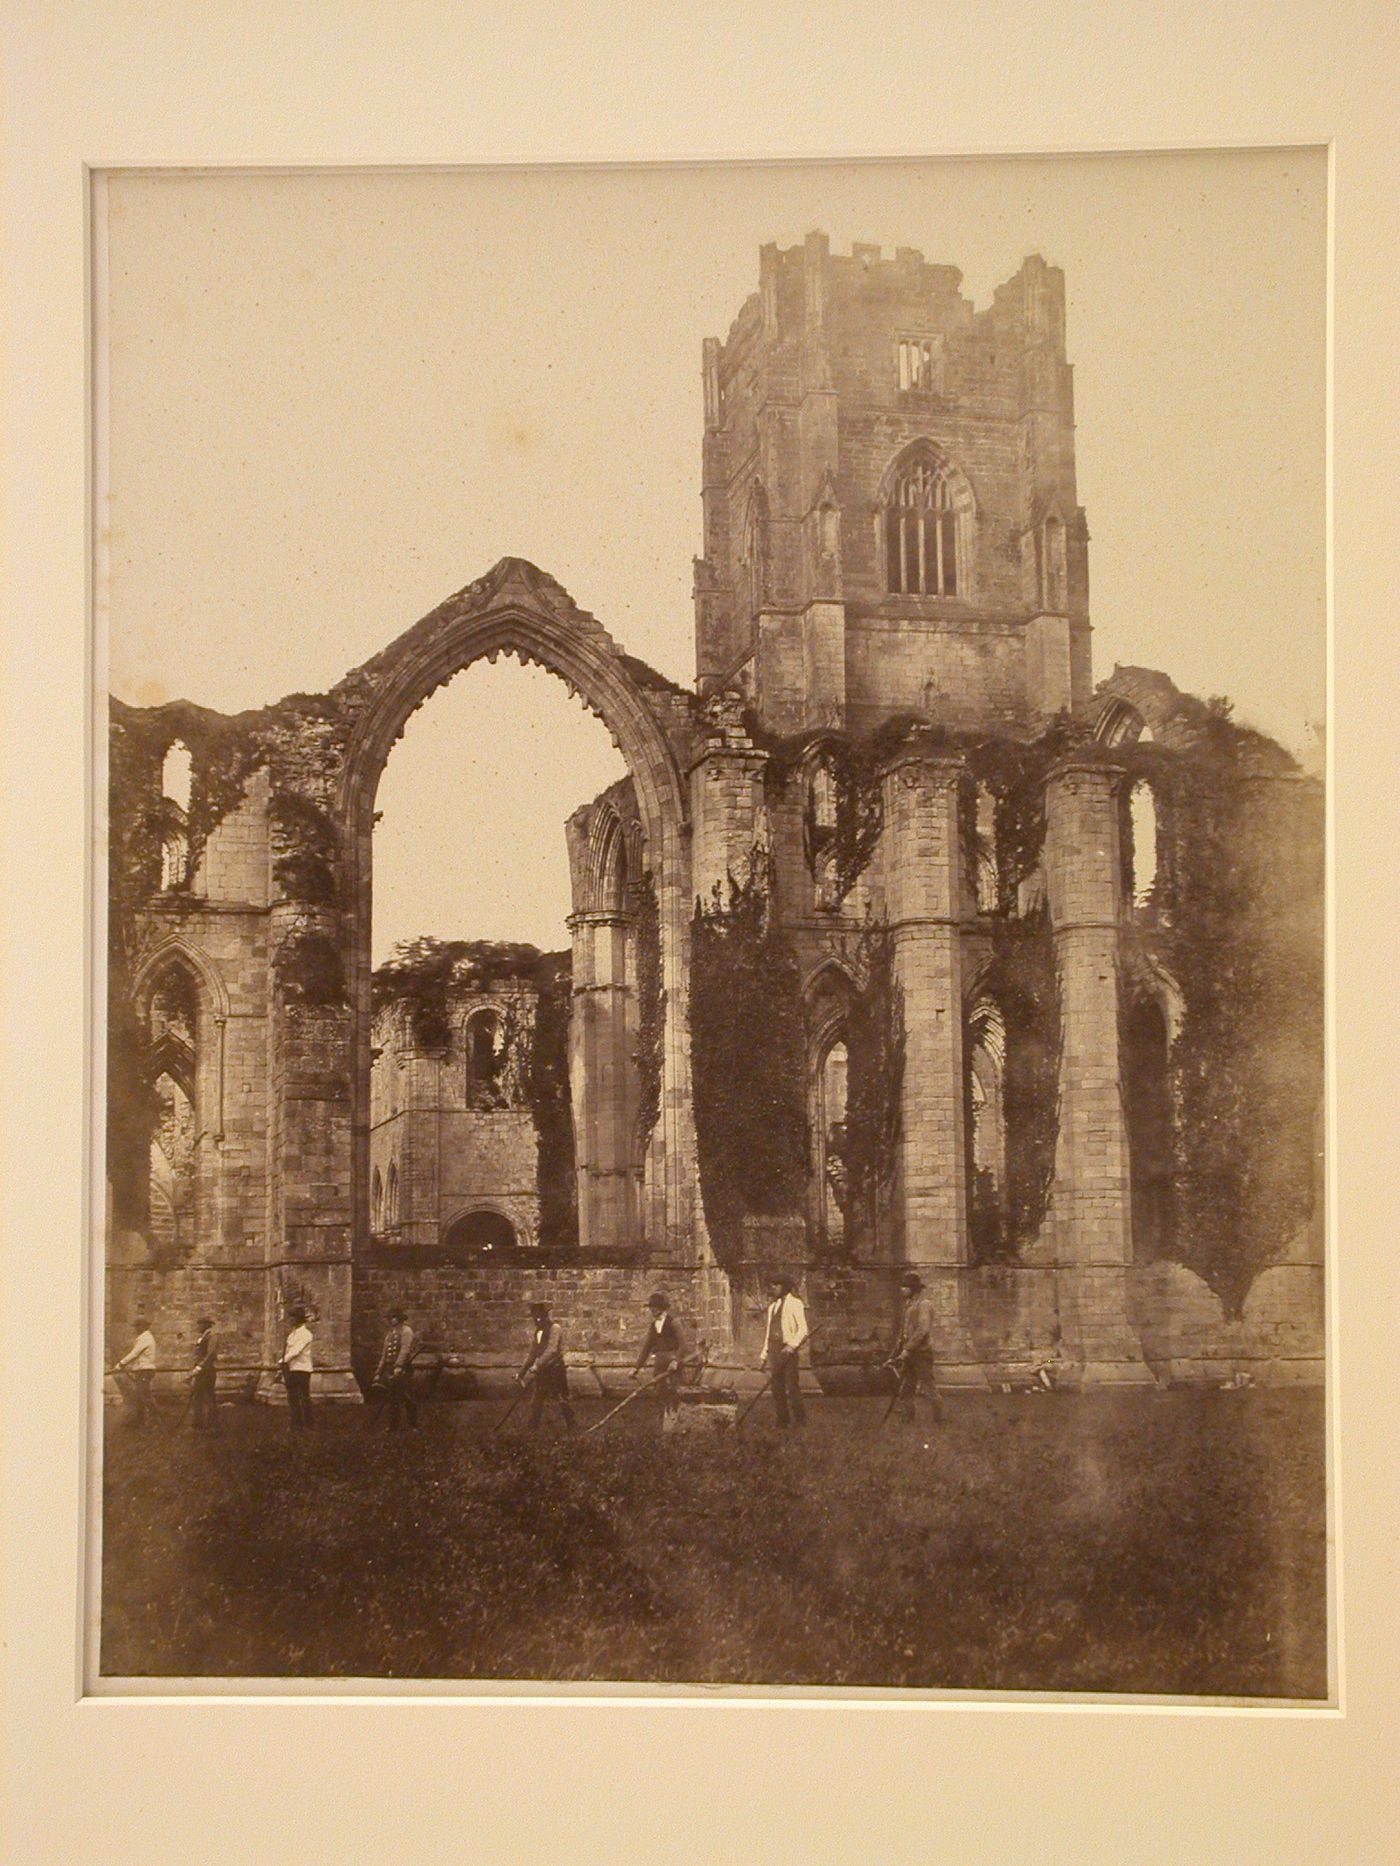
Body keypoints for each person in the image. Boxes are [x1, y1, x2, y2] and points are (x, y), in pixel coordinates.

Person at [632, 1290, 697, 1420]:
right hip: (660, 1362)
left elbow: (683, 1345)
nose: (653, 1310)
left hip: (673, 1360)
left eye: (655, 1307)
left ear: (662, 1308)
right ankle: (662, 1418)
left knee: (676, 1389)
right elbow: (647, 1347)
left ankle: (678, 1418)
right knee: (658, 1390)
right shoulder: (653, 1325)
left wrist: (676, 1361)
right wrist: (636, 1367)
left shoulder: (673, 1322)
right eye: (651, 1307)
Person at [890, 1271, 941, 1424]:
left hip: (922, 1354)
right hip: (910, 1354)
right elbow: (903, 1332)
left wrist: (908, 1349)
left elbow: (922, 1329)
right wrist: (895, 1353)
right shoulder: (908, 1304)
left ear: (914, 1289)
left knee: (929, 1388)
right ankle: (907, 1420)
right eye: (902, 1286)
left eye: (906, 1287)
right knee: (906, 1389)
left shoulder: (924, 1305)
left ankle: (939, 1420)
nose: (902, 1289)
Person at [517, 1299, 576, 1434]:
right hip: (543, 1371)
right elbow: (532, 1353)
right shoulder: (538, 1332)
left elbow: (552, 1350)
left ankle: (572, 1424)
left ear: (545, 1315)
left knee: (561, 1397)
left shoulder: (555, 1328)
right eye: (534, 1317)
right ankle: (533, 1427)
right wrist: (521, 1373)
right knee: (537, 1398)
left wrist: (538, 1364)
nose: (536, 1320)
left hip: (555, 1369)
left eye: (539, 1316)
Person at [759, 1273, 809, 1429]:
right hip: (774, 1349)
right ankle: (783, 1420)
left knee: (792, 1386)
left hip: (787, 1350)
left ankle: (801, 1421)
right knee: (776, 1387)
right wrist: (764, 1354)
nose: (773, 1287)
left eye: (777, 1284)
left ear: (785, 1286)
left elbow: (803, 1329)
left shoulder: (795, 1303)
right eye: (772, 1285)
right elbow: (769, 1331)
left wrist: (792, 1345)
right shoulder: (772, 1307)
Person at [372, 1306, 419, 1431]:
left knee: (407, 1396)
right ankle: (393, 1426)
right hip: (389, 1368)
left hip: (403, 1368)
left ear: (399, 1318)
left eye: (393, 1317)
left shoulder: (406, 1331)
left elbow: (405, 1350)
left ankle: (413, 1425)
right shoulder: (390, 1335)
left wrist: (399, 1366)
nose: (390, 1320)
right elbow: (384, 1355)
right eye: (389, 1318)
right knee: (392, 1398)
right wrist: (379, 1372)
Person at [113, 1316, 157, 1429]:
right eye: (135, 1326)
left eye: (138, 1326)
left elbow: (134, 1354)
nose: (136, 1329)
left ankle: (155, 1420)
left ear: (144, 1326)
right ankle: (139, 1421)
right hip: (141, 1370)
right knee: (140, 1396)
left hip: (145, 1370)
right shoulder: (142, 1337)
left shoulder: (145, 1338)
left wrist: (121, 1364)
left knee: (144, 1396)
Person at [279, 1304, 315, 1430]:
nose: (290, 1320)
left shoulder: (306, 1334)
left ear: (298, 1319)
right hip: (291, 1369)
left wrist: (282, 1361)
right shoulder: (292, 1335)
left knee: (304, 1397)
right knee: (292, 1398)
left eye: (292, 1318)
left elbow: (296, 1351)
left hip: (302, 1369)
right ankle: (296, 1423)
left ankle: (308, 1424)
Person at [187, 1314, 219, 1431]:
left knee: (209, 1397)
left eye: (200, 1324)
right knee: (198, 1396)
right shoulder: (204, 1336)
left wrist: (199, 1367)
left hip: (207, 1371)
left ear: (206, 1324)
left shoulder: (212, 1336)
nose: (198, 1326)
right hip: (201, 1371)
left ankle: (213, 1425)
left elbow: (211, 1354)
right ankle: (197, 1424)